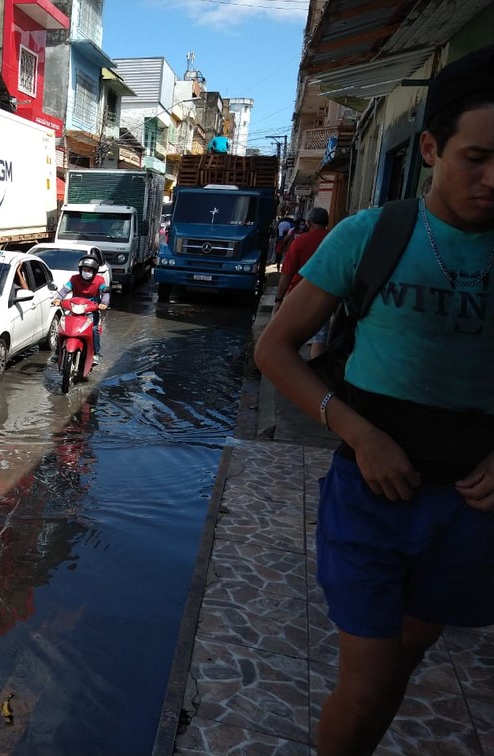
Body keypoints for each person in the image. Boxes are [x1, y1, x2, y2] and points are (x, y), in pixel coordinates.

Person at [254, 43, 494, 755]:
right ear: (428, 148)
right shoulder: (371, 236)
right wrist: (358, 433)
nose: (492, 179)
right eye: (474, 158)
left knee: (401, 668)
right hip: (371, 501)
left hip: (471, 510)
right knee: (364, 685)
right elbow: (274, 349)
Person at [272, 206, 330, 358]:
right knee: (318, 340)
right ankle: (315, 374)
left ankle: (289, 372)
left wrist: (278, 299)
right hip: (326, 296)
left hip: (299, 295)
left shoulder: (300, 242)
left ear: (309, 223)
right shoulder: (335, 241)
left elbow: (287, 274)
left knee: (290, 338)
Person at [52, 256, 110, 365]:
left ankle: (96, 353)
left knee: (94, 330)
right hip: (75, 309)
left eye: (89, 270)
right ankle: (57, 352)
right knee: (61, 327)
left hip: (91, 310)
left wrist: (104, 303)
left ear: (94, 271)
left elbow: (105, 292)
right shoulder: (74, 279)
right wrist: (58, 299)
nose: (86, 272)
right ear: (80, 270)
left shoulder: (100, 280)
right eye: (84, 270)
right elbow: (65, 289)